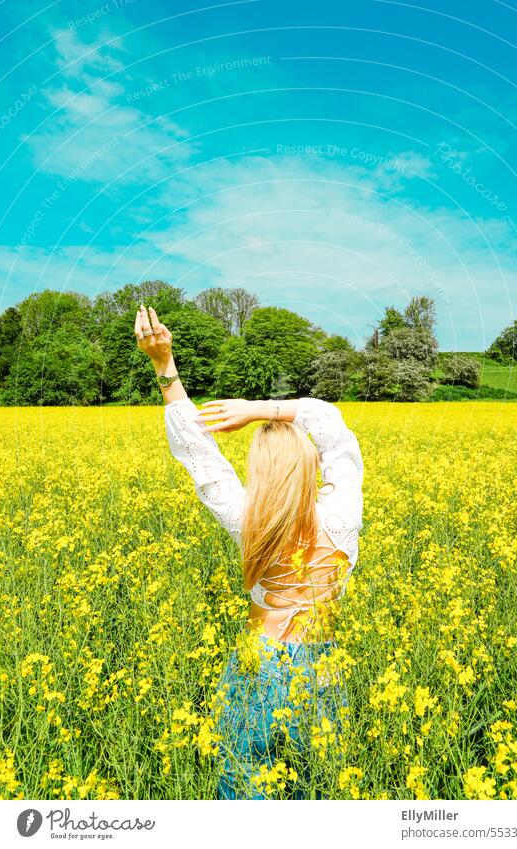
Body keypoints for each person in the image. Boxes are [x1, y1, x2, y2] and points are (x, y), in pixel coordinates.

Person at [135, 304, 364, 799]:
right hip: (322, 665)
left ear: (260, 473)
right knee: (319, 789)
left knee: (243, 788)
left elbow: (201, 458)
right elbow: (330, 425)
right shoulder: (343, 515)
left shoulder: (248, 521)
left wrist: (164, 366)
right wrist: (261, 408)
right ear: (309, 466)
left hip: (258, 663)